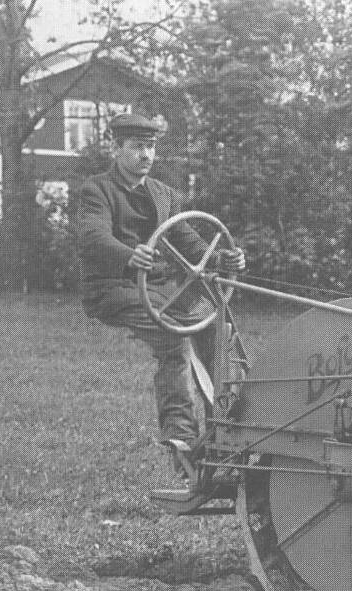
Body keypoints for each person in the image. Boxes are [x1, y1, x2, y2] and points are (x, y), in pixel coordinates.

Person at [76, 112, 246, 479]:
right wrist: (128, 254)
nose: (146, 155)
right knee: (174, 341)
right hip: (114, 289)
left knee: (216, 327)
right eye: (137, 147)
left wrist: (220, 257)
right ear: (116, 147)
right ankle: (182, 446)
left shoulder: (164, 194)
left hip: (162, 289)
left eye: (150, 147)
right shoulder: (97, 190)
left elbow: (188, 241)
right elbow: (92, 236)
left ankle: (228, 431)